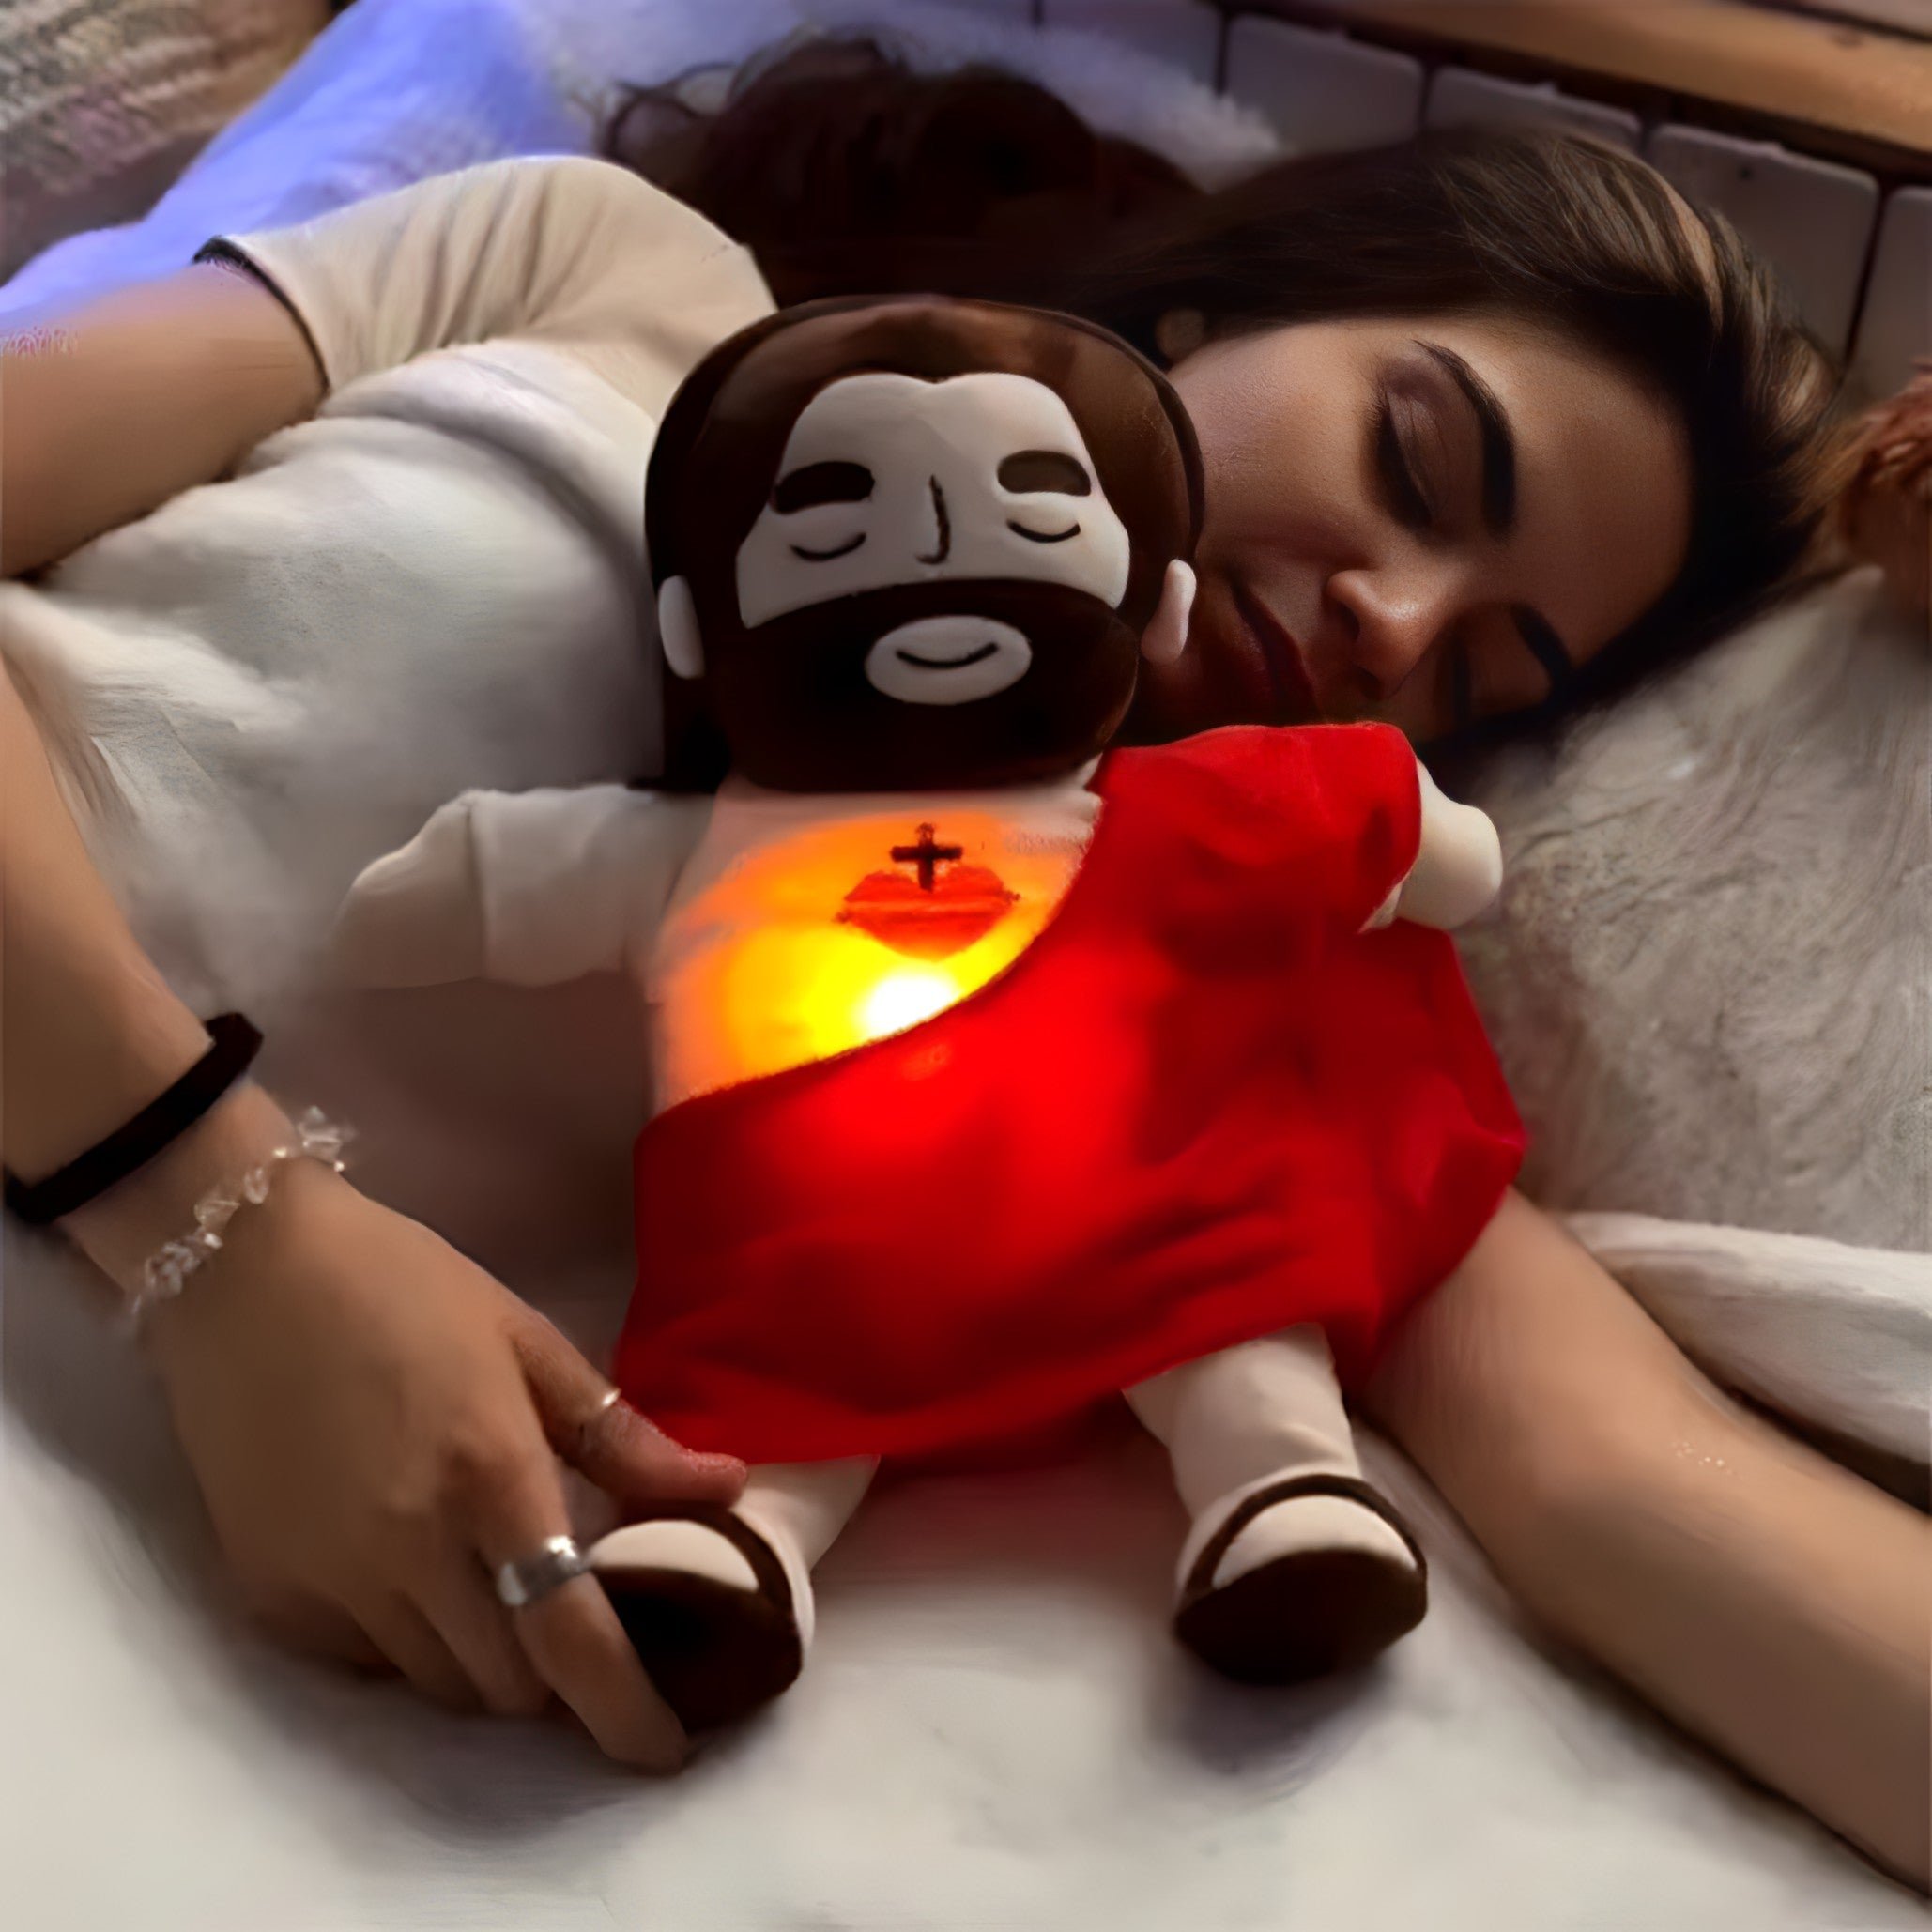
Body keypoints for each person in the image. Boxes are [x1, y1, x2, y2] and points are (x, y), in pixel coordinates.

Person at [1, 36, 1924, 1887]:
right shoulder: (591, 260)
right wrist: (219, 1237)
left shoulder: (1220, 952)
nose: (1394, 624)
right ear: (1224, 308)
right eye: (1415, 463)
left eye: (1484, 674)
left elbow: (1618, 1475)